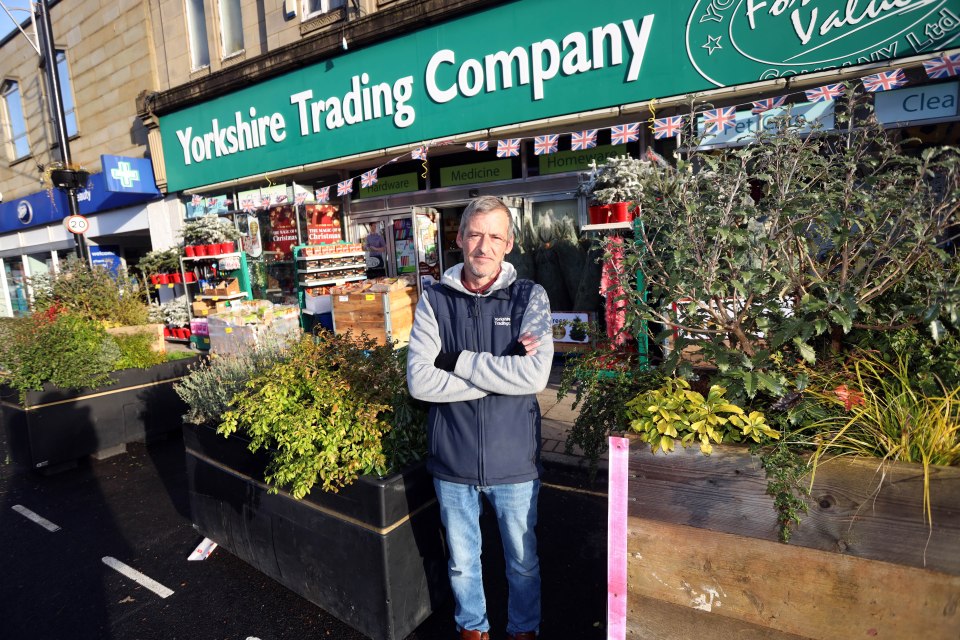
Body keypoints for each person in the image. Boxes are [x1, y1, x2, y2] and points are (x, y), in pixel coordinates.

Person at [406, 196, 553, 640]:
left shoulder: (532, 297)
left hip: (514, 463)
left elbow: (535, 374)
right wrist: (501, 370)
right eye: (475, 234)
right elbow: (420, 382)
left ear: (508, 244)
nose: (483, 246)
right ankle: (473, 630)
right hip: (452, 462)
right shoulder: (433, 301)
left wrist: (459, 360)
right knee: (462, 563)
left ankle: (523, 630)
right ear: (459, 239)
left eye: (494, 236)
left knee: (522, 563)